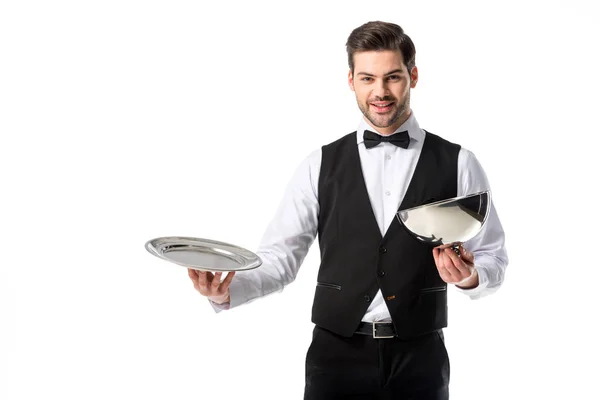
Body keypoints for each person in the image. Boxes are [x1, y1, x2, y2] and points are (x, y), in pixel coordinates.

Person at [188, 20, 508, 399]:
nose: (381, 92)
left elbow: (493, 257)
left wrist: (470, 276)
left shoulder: (458, 161)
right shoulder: (319, 164)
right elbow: (280, 258)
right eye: (368, 78)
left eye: (392, 77)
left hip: (420, 356)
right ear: (351, 80)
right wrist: (226, 291)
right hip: (335, 357)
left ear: (414, 76)